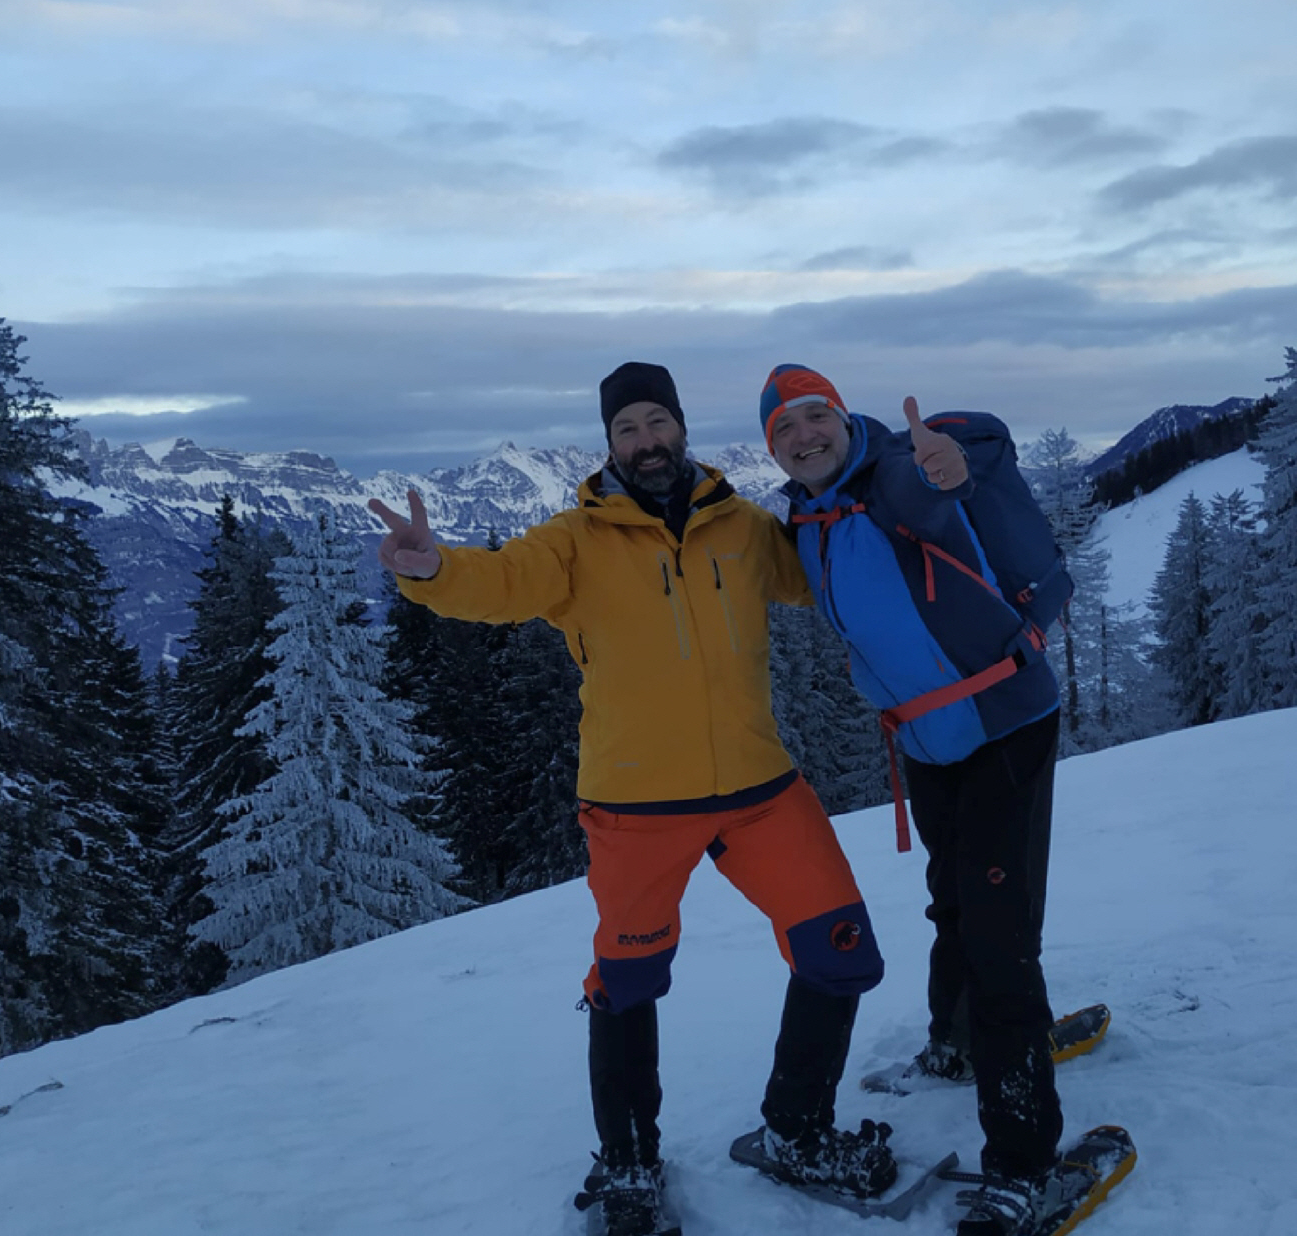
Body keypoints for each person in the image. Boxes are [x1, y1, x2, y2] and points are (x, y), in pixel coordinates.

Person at [369, 362, 897, 1236]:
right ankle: (629, 1163)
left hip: (761, 790)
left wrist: (896, 506)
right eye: (627, 429)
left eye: (657, 422)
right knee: (628, 981)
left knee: (840, 950)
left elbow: (820, 573)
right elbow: (500, 583)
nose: (646, 441)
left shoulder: (741, 526)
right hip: (637, 805)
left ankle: (797, 1131)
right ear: (609, 443)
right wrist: (432, 570)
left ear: (680, 427)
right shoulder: (575, 541)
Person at [761, 363, 1122, 1236]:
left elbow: (934, 492)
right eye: (784, 428)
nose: (804, 435)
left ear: (842, 417)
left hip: (1003, 724)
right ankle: (959, 1044)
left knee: (1001, 941)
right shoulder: (807, 517)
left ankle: (1024, 1167)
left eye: (815, 415)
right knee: (953, 900)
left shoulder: (892, 476)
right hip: (928, 741)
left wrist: (944, 470)